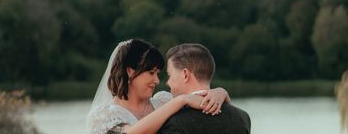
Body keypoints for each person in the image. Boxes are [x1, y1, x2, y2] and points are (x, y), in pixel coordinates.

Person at [86, 39, 230, 134]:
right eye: (151, 72)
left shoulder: (164, 101)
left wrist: (221, 92)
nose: (156, 80)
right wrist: (181, 100)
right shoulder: (105, 116)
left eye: (158, 73)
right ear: (130, 71)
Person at [158, 43, 251, 134]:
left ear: (185, 74)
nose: (167, 82)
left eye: (169, 75)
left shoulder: (173, 122)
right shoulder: (243, 117)